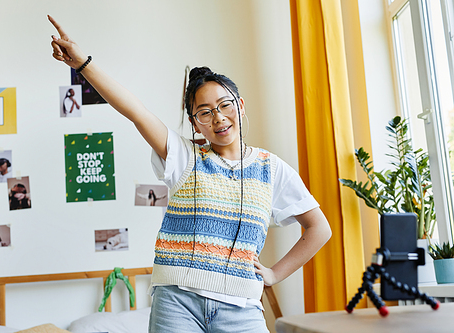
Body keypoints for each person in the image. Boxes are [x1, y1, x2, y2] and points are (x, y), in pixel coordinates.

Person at [49, 15, 332, 332]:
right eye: (205, 112)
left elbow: (319, 228)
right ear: (195, 122)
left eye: (225, 105)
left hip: (242, 309)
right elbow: (136, 111)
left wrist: (274, 274)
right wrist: (84, 64)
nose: (218, 118)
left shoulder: (271, 168)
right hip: (177, 304)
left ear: (240, 105)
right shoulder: (183, 156)